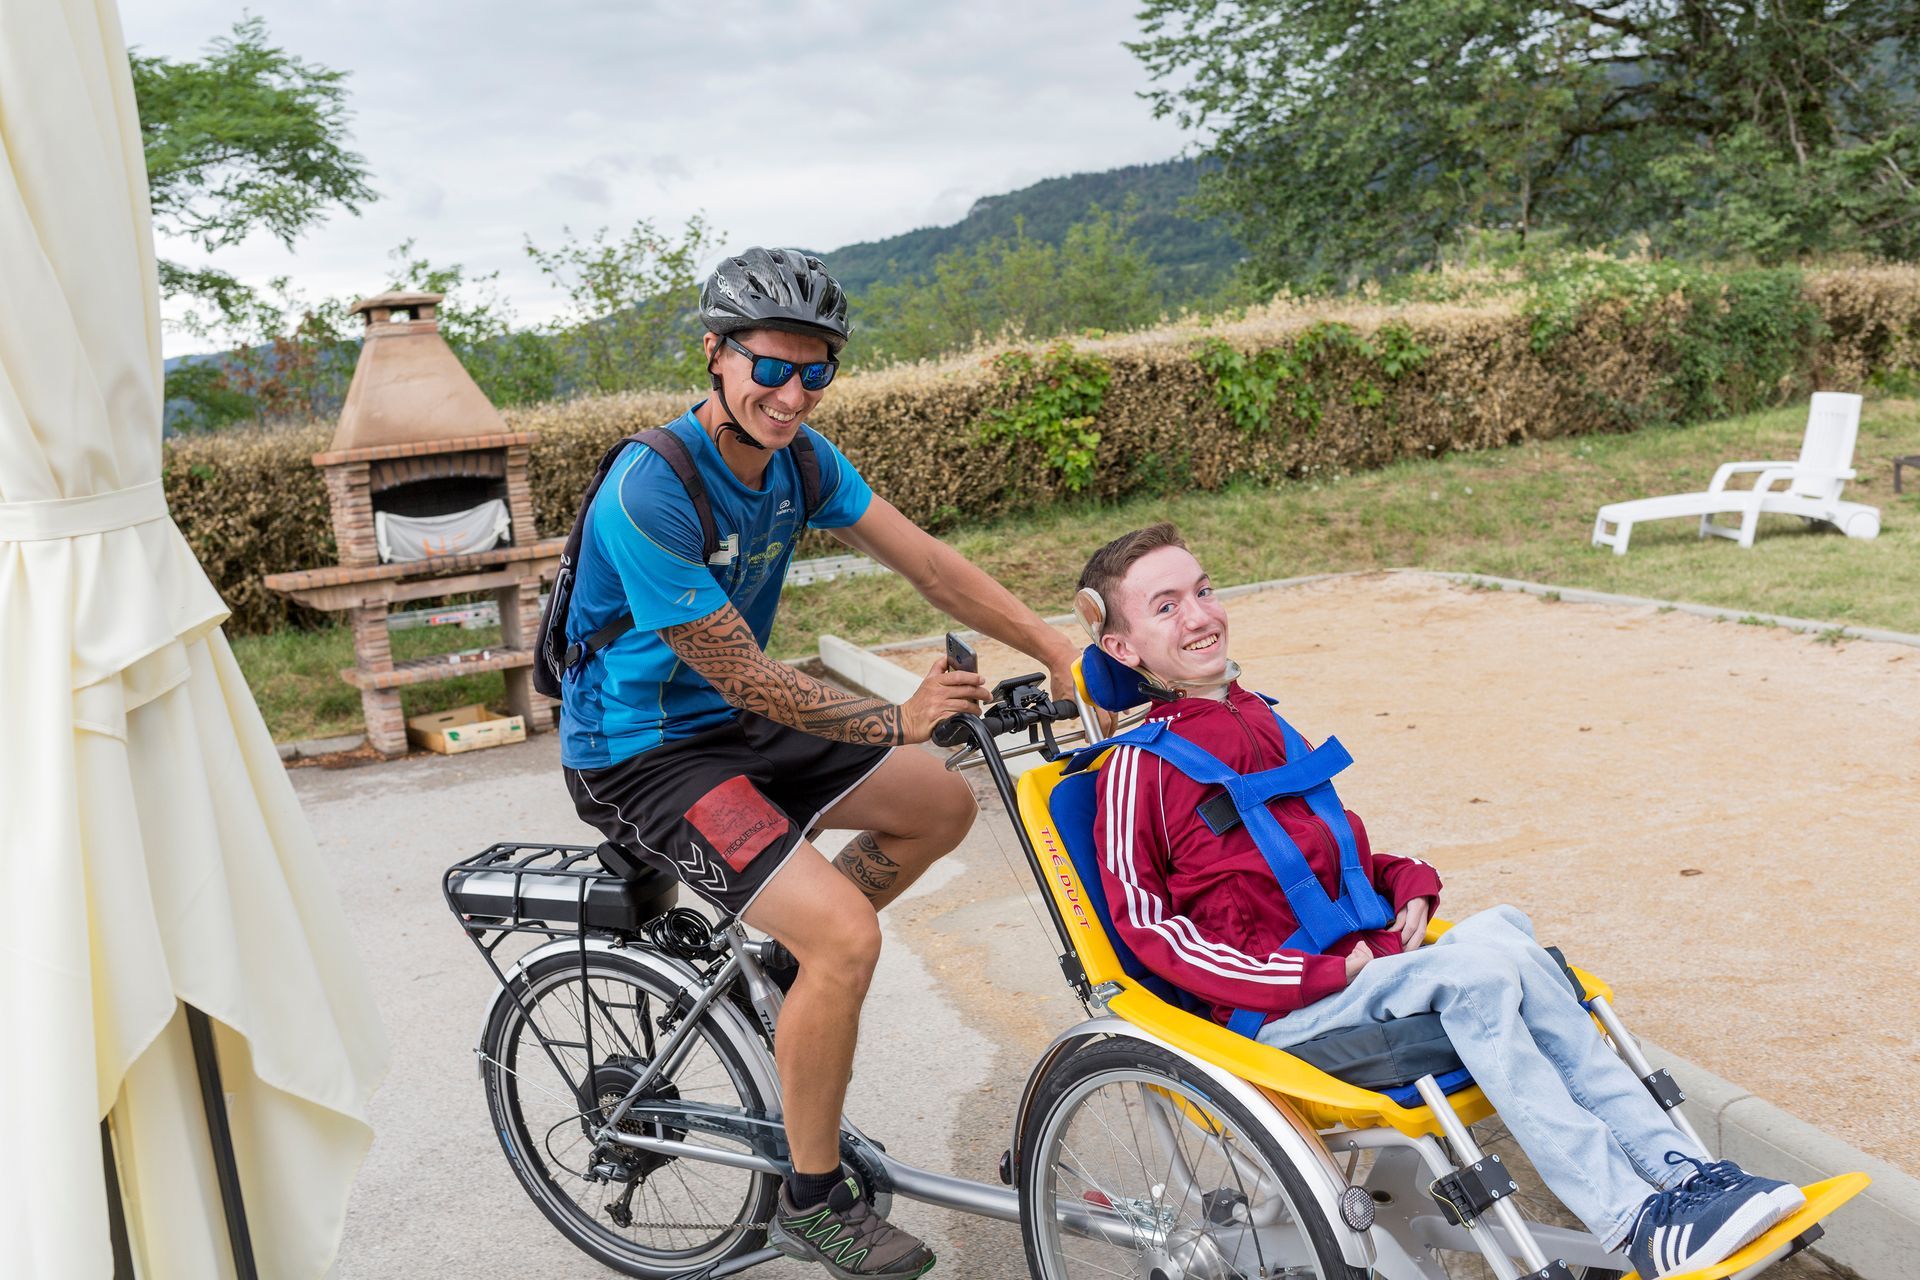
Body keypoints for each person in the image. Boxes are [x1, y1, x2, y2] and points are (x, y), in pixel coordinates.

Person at [1078, 522, 1806, 1280]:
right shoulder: (1138, 769)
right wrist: (1323, 976)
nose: (1199, 615)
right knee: (1476, 976)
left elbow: (1324, 852)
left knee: (1510, 934)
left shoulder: (1259, 718)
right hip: (1280, 1012)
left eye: (1203, 590)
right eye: (1165, 607)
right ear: (1124, 649)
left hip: (1365, 969)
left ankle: (1686, 1176)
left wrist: (1406, 882)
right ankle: (1633, 1222)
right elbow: (1151, 935)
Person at [558, 247, 1078, 1279]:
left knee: (938, 806)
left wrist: (1055, 646)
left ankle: (788, 968)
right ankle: (810, 1197)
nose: (792, 394)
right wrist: (897, 717)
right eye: (770, 367)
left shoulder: (799, 461)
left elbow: (926, 560)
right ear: (715, 354)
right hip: (644, 751)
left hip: (733, 719)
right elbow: (741, 672)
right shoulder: (650, 489)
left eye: (816, 372)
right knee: (848, 931)